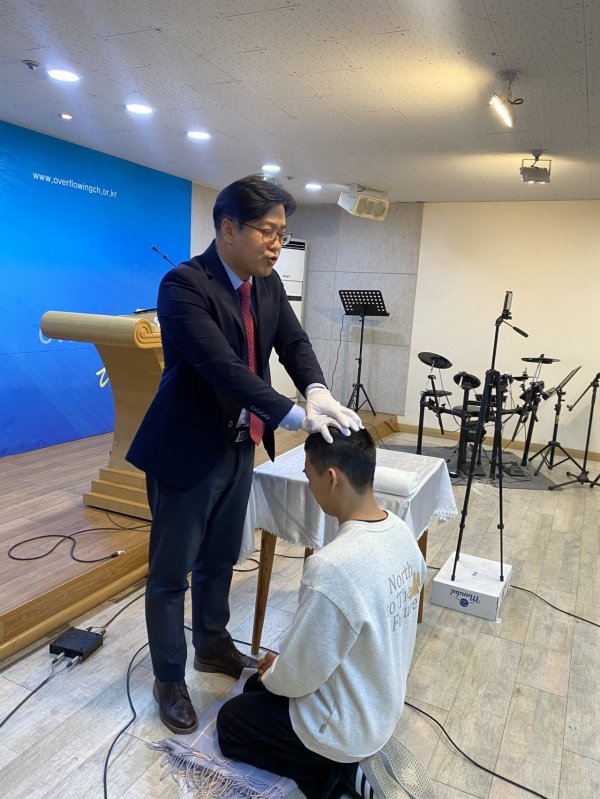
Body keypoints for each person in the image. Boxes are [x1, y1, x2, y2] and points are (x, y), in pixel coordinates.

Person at [126, 174, 362, 735]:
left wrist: (317, 389)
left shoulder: (267, 284)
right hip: (186, 449)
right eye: (268, 231)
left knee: (220, 558)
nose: (277, 244)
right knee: (171, 573)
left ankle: (211, 645)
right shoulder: (184, 285)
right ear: (228, 228)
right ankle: (168, 677)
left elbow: (293, 343)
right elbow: (222, 367)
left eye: (283, 233)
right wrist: (294, 415)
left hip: (239, 445)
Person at [216, 428, 427, 799]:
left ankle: (334, 775)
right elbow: (324, 649)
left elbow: (298, 678)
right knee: (255, 687)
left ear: (331, 478)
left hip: (345, 731)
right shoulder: (400, 530)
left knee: (230, 723)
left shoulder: (332, 567)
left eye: (308, 475)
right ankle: (337, 763)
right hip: (382, 707)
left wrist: (278, 673)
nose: (309, 485)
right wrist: (279, 670)